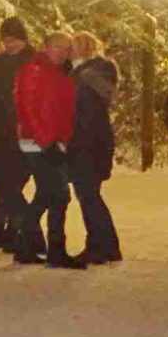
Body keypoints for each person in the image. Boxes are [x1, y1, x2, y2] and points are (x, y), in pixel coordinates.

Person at [13, 31, 85, 269]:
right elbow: (27, 108)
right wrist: (46, 141)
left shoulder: (60, 73)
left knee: (48, 194)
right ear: (45, 46)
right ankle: (53, 249)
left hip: (53, 142)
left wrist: (62, 140)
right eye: (57, 46)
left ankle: (28, 246)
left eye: (66, 48)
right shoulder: (34, 71)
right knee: (58, 194)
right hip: (39, 143)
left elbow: (64, 111)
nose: (62, 52)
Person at [69, 31, 123, 265]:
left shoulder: (88, 75)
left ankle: (101, 246)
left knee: (88, 195)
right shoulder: (88, 73)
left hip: (88, 141)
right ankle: (103, 245)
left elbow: (87, 110)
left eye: (77, 45)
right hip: (91, 140)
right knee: (89, 195)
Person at [0, 17, 36, 249]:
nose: (9, 45)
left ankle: (18, 229)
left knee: (12, 184)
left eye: (13, 40)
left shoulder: (33, 62)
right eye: (6, 40)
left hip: (23, 132)